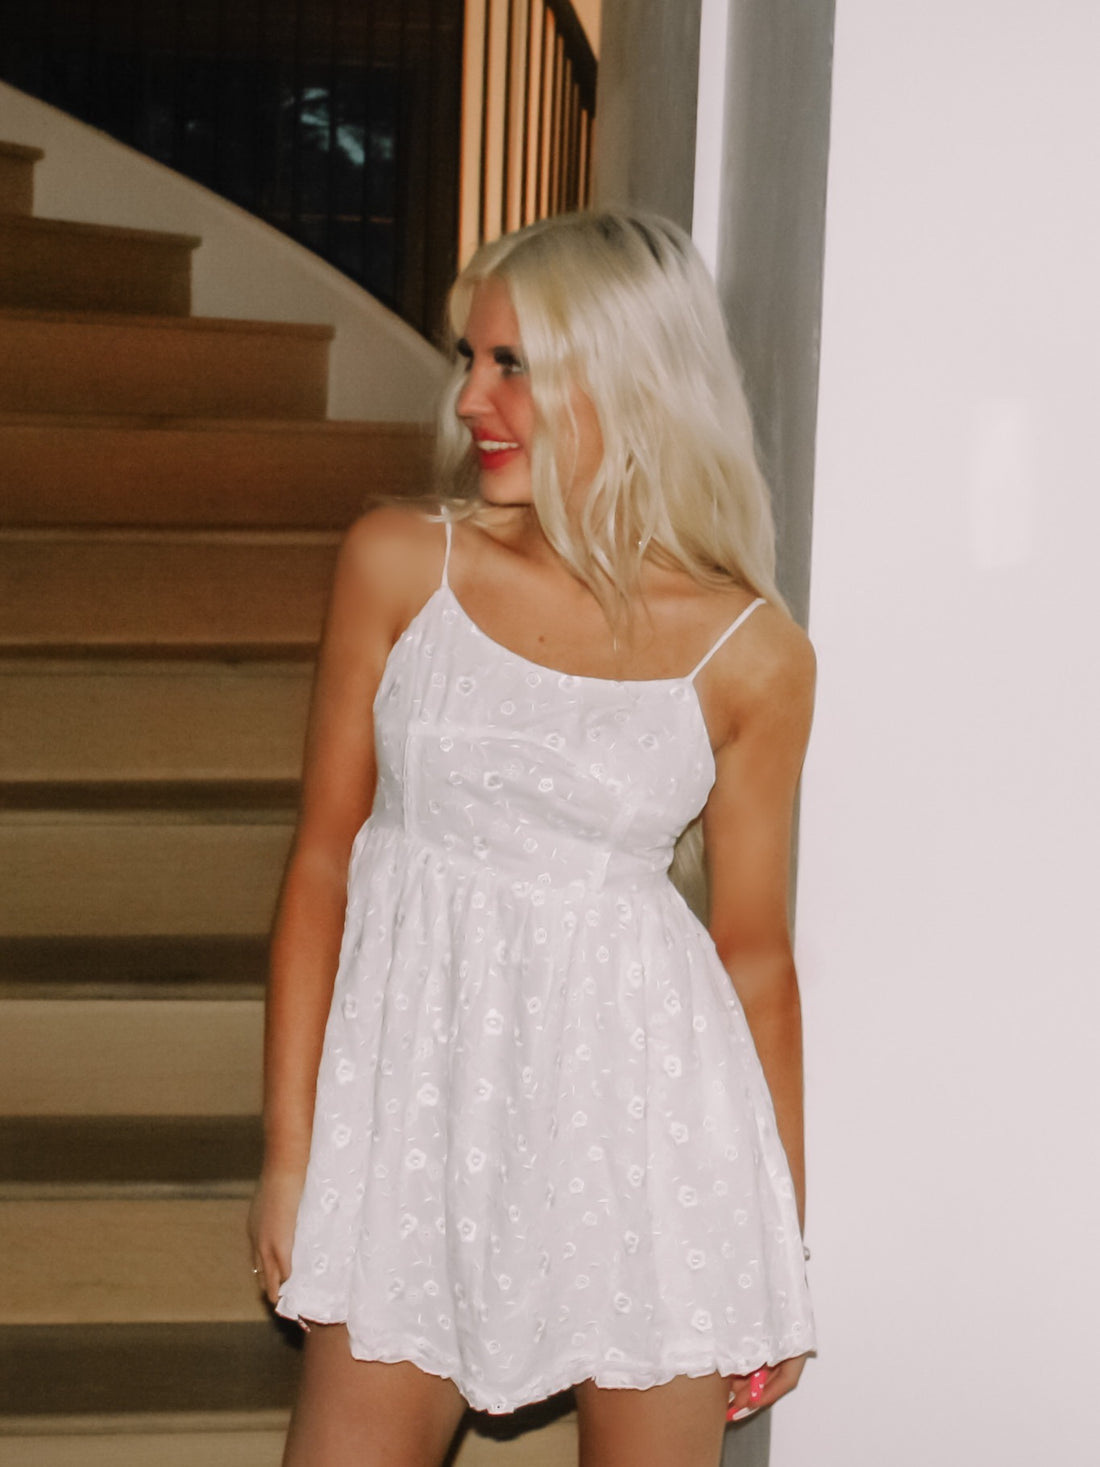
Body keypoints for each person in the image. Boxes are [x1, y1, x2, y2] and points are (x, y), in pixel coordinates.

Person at [248, 210, 816, 1467]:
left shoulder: (753, 654)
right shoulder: (401, 563)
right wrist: (292, 1154)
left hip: (647, 1146)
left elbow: (755, 958)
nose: (468, 401)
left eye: (510, 364)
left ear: (626, 377)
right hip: (411, 1129)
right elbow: (325, 862)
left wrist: (776, 1243)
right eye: (469, 358)